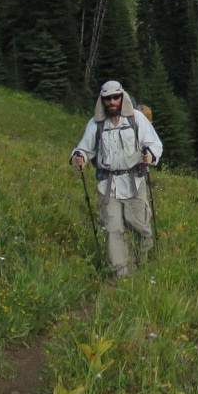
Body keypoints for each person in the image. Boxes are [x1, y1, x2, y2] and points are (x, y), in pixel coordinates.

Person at [70, 79, 163, 277]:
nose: (112, 101)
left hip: (134, 181)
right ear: (102, 100)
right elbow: (84, 148)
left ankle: (140, 268)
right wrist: (79, 157)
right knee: (113, 230)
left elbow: (154, 143)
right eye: (108, 98)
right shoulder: (95, 124)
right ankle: (121, 275)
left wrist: (150, 155)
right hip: (108, 185)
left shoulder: (137, 119)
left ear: (122, 97)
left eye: (115, 97)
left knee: (142, 229)